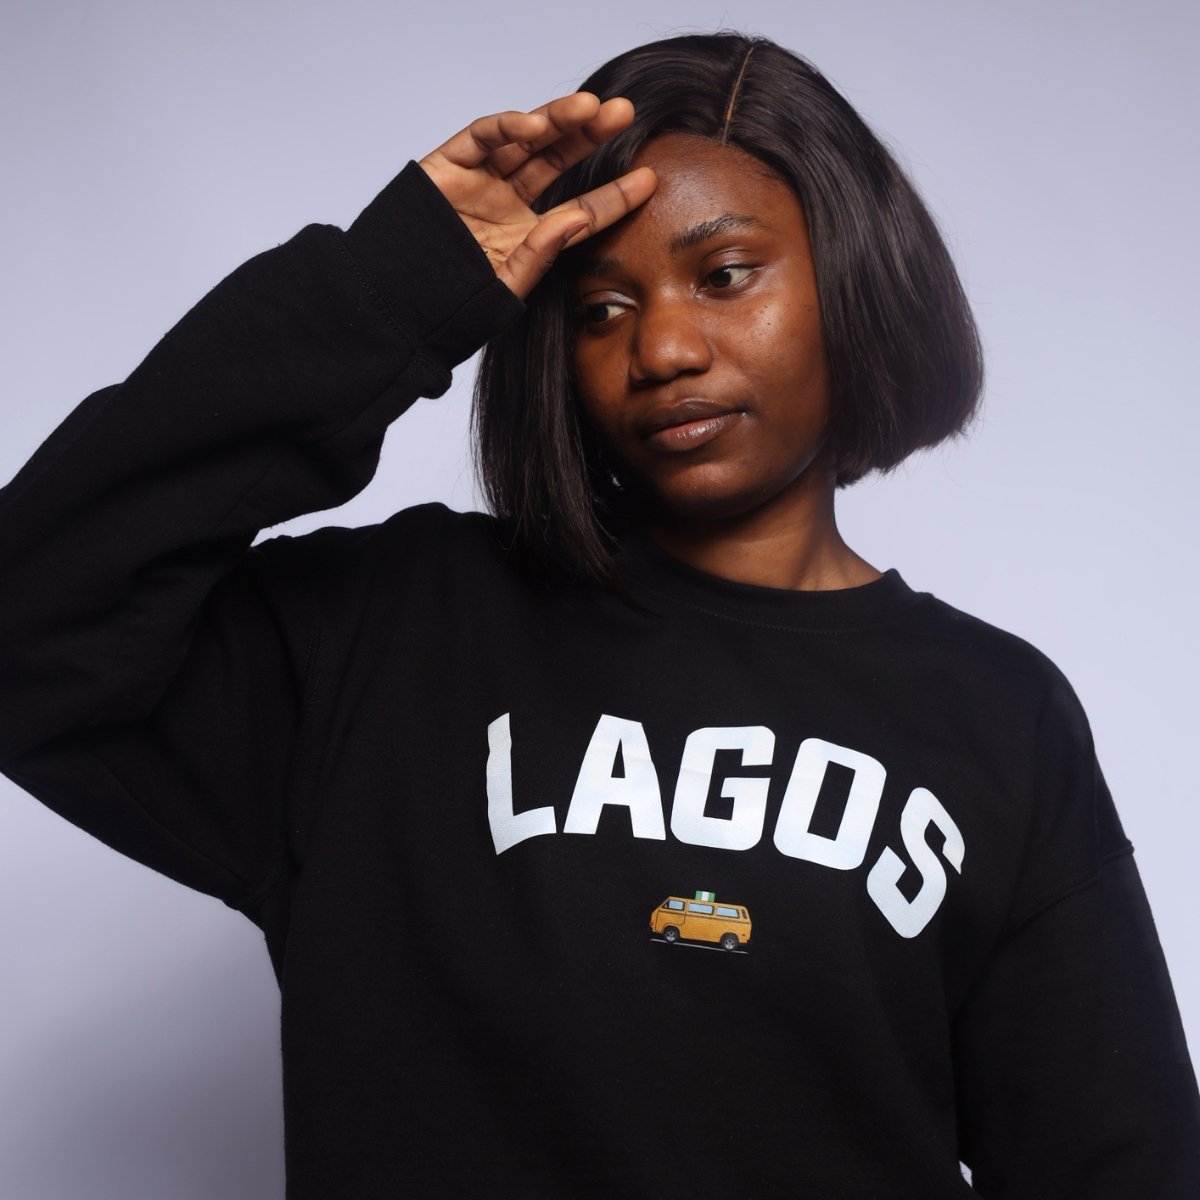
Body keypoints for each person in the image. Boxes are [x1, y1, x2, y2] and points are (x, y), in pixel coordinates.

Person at [0, 29, 1196, 1199]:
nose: (663, 347)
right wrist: (392, 287)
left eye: (724, 275)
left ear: (853, 280)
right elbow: (30, 621)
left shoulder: (996, 713)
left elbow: (1118, 1161)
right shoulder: (395, 633)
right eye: (600, 308)